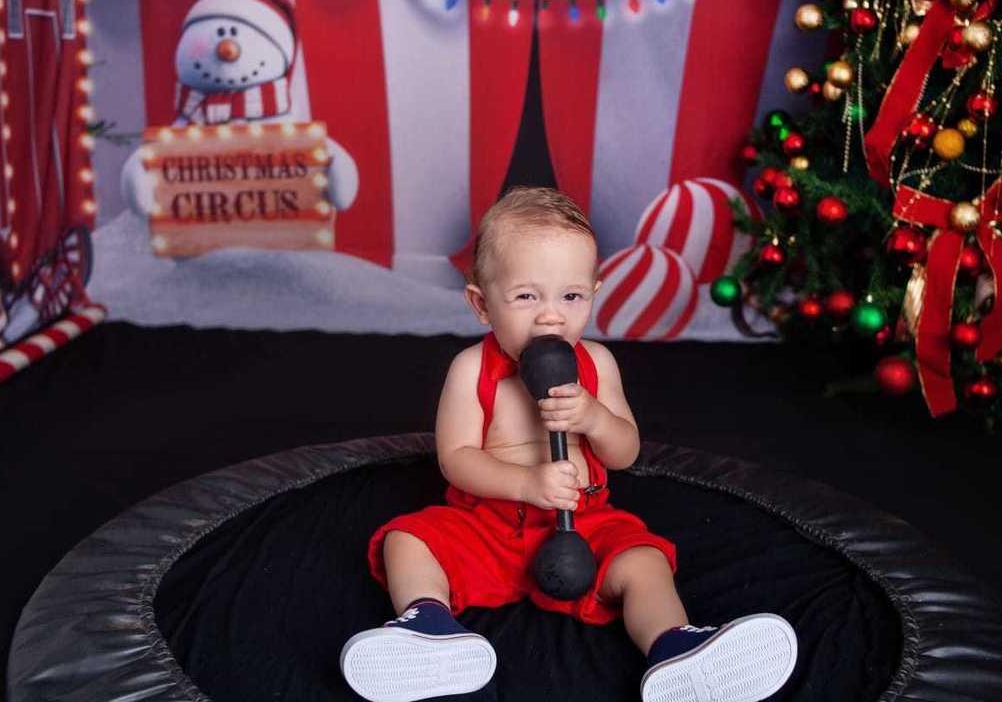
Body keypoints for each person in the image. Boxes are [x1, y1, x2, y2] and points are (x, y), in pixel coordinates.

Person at [340, 186, 797, 702]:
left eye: (571, 296)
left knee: (642, 559)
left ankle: (674, 648)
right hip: (487, 526)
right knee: (409, 539)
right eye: (527, 296)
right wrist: (525, 482)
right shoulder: (471, 371)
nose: (551, 316)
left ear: (594, 294)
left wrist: (596, 418)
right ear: (482, 305)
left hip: (583, 524)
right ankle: (428, 625)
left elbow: (625, 452)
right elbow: (456, 460)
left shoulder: (597, 365)